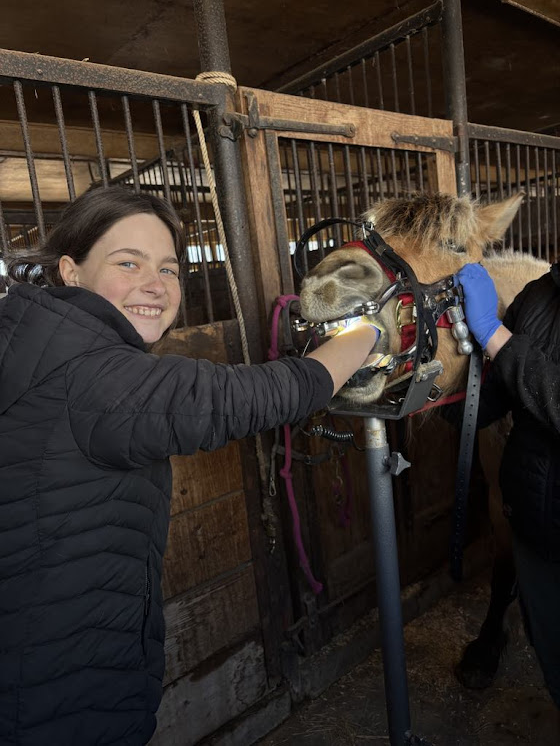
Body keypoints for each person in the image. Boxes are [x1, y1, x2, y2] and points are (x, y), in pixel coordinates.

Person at [0, 186, 381, 746]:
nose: (155, 284)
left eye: (168, 268)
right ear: (70, 271)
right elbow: (255, 396)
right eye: (127, 263)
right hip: (55, 687)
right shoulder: (91, 375)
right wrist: (371, 331)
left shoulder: (32, 339)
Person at [457, 261, 560, 720]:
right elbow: (494, 399)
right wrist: (420, 392)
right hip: (535, 527)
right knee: (553, 662)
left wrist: (494, 334)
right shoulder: (537, 295)